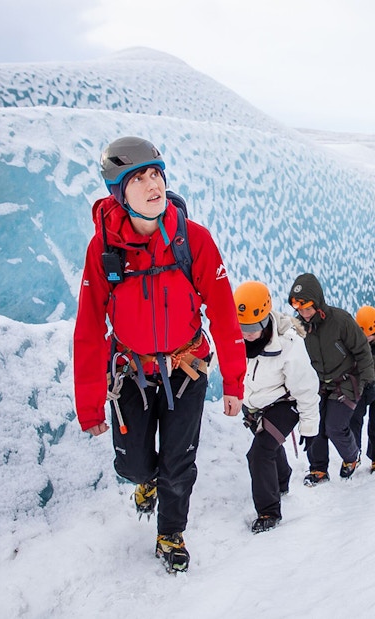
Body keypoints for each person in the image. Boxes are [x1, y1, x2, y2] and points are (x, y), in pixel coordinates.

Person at [73, 136, 246, 573]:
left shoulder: (195, 240)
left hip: (187, 369)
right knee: (132, 463)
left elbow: (224, 314)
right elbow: (90, 329)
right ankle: (142, 481)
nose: (153, 185)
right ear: (118, 191)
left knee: (178, 462)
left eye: (156, 174)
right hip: (131, 370)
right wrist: (89, 402)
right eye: (139, 178)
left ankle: (171, 534)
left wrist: (234, 382)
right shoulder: (103, 251)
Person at [234, 281, 319, 533]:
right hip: (254, 405)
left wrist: (310, 429)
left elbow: (306, 389)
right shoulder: (236, 339)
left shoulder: (289, 346)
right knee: (269, 445)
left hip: (284, 405)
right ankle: (281, 481)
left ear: (265, 320)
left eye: (251, 328)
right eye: (242, 327)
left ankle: (269, 511)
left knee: (259, 454)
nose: (245, 333)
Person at [288, 273, 375, 485]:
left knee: (335, 426)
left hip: (346, 381)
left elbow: (362, 350)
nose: (304, 313)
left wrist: (368, 380)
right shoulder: (298, 327)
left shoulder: (340, 320)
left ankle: (351, 457)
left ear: (317, 303)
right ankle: (318, 469)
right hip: (317, 383)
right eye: (299, 309)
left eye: (307, 308)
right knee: (313, 423)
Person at [350, 305, 375, 472]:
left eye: (370, 335)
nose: (366, 338)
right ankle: (353, 455)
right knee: (354, 421)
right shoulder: (352, 342)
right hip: (359, 386)